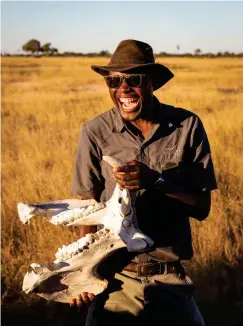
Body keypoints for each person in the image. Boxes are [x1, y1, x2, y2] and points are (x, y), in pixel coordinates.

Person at [70, 39, 217, 326]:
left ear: (151, 82)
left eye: (133, 79)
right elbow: (86, 208)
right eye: (113, 80)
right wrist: (82, 270)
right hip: (114, 279)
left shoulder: (186, 127)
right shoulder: (95, 132)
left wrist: (157, 180)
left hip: (169, 279)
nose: (122, 88)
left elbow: (202, 207)